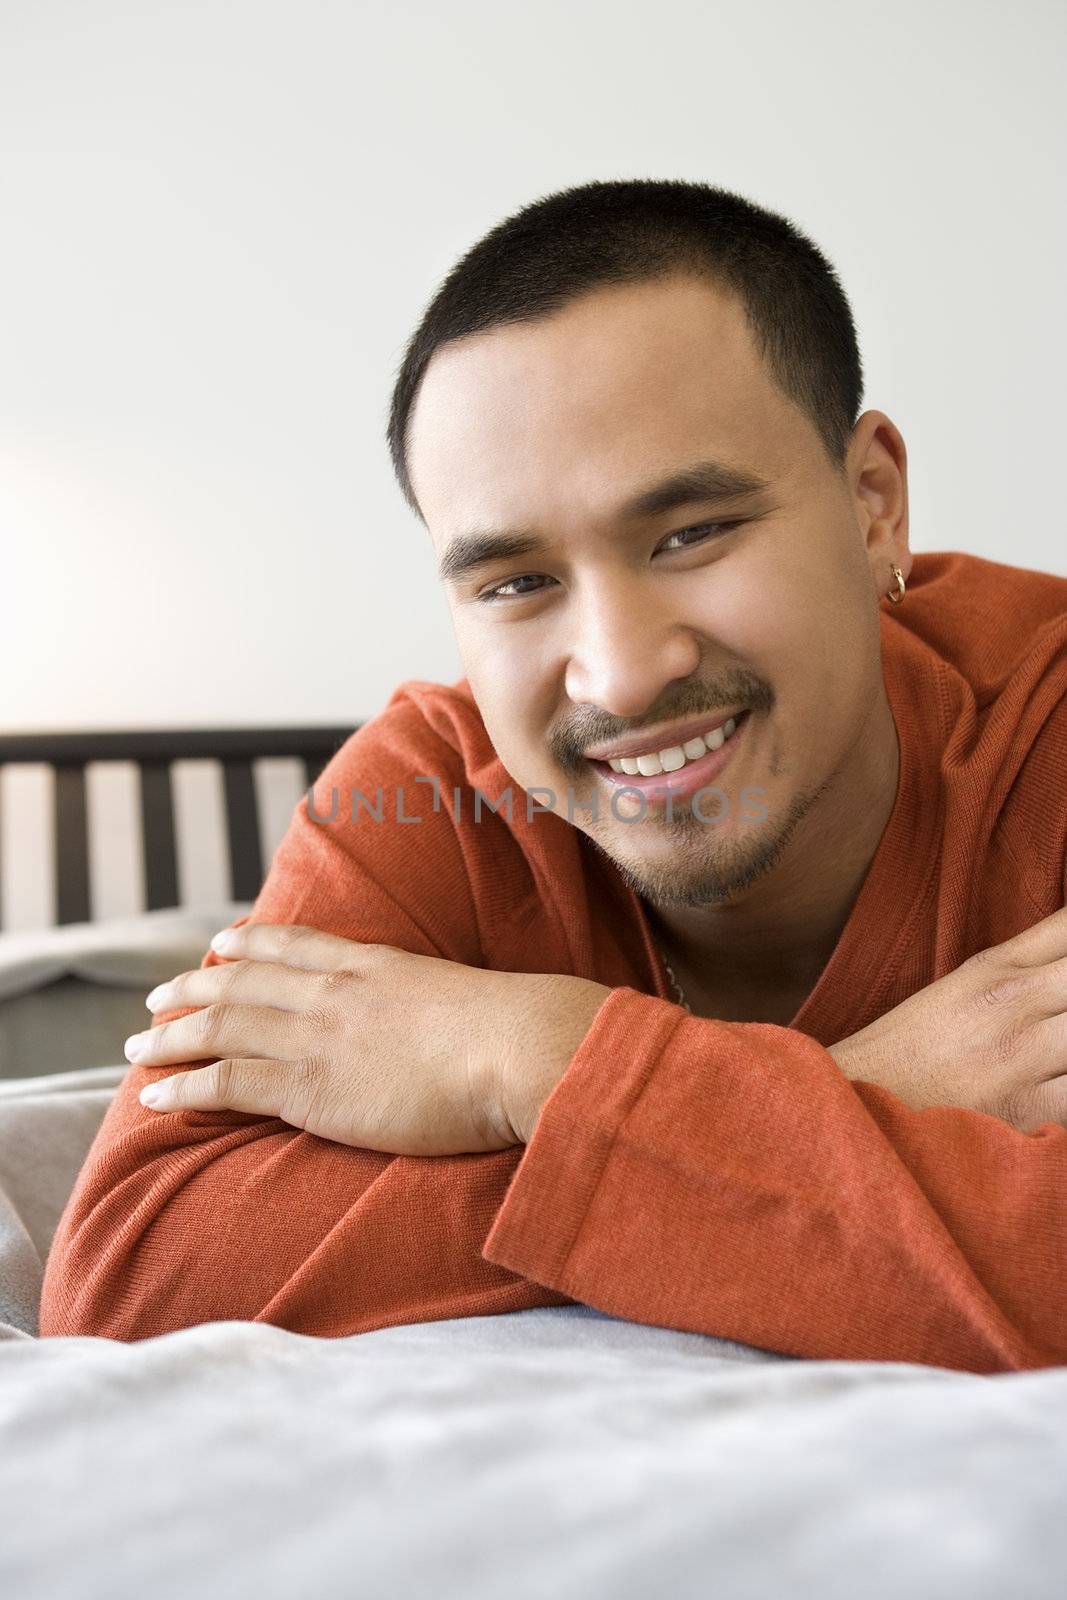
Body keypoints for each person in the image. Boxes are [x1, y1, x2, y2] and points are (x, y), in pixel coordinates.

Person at [39, 179, 1067, 1373]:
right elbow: (132, 1271)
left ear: (870, 502)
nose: (621, 677)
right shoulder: (427, 789)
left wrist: (530, 1060)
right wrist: (845, 1091)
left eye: (689, 534)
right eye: (513, 582)